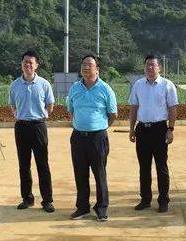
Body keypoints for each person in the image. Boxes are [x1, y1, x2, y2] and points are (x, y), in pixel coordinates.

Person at [66, 54, 118, 222]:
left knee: (99, 174)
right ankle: (82, 208)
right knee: (80, 174)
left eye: (89, 64)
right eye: (83, 65)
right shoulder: (75, 88)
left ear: (97, 69)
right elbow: (71, 110)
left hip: (98, 138)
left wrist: (99, 127)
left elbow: (113, 114)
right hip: (78, 137)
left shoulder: (105, 89)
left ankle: (101, 208)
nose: (86, 67)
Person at [128, 55, 178, 213]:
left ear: (159, 68)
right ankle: (145, 199)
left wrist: (170, 129)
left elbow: (172, 109)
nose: (150, 68)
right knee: (144, 167)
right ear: (144, 67)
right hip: (142, 129)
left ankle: (163, 200)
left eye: (153, 65)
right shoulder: (138, 85)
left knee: (161, 166)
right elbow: (134, 108)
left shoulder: (167, 85)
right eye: (147, 65)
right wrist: (131, 128)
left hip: (160, 130)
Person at [9, 50, 56, 213]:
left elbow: (50, 106)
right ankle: (27, 198)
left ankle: (47, 200)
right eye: (25, 62)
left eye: (31, 62)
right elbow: (13, 106)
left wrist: (40, 117)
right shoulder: (14, 85)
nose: (27, 64)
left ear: (36, 65)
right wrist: (22, 116)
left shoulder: (44, 84)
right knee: (24, 164)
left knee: (42, 164)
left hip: (38, 127)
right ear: (21, 64)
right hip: (21, 127)